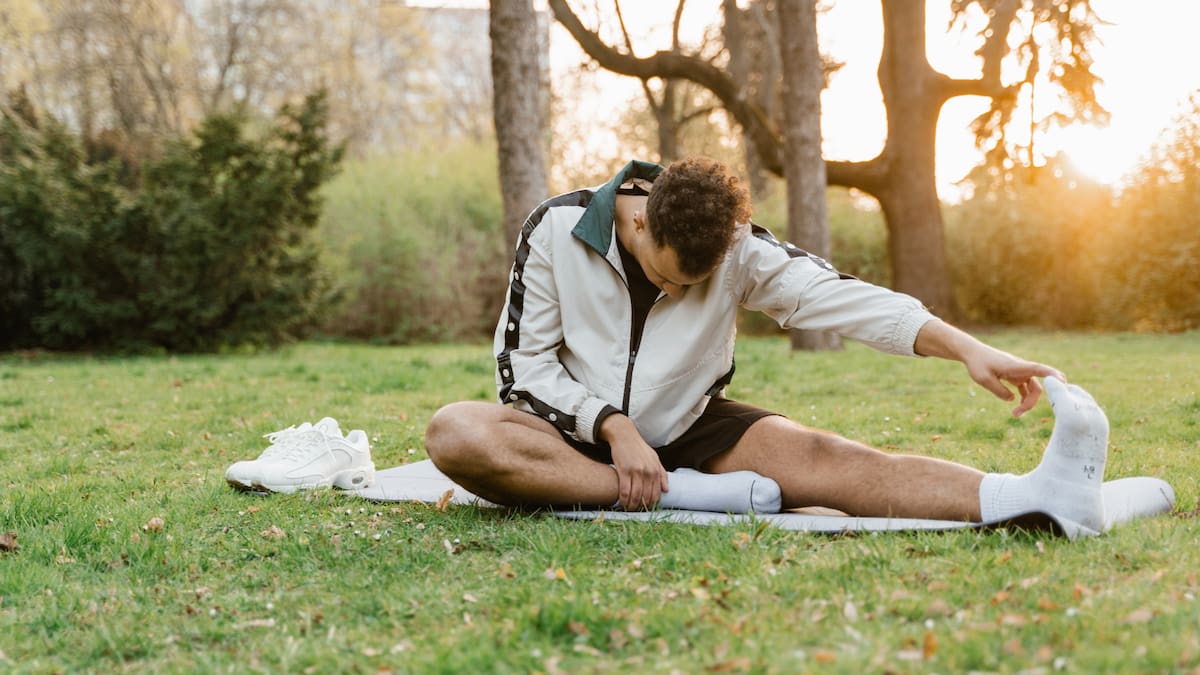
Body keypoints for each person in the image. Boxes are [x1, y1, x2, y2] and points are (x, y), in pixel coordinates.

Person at [424, 157, 1110, 538]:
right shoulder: (555, 229)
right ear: (640, 222)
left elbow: (841, 297)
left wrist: (966, 349)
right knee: (456, 431)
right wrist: (612, 426)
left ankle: (1030, 496)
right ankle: (686, 496)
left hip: (692, 427)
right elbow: (523, 369)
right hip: (570, 439)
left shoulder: (738, 247)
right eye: (666, 276)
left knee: (831, 457)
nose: (676, 290)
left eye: (692, 286)